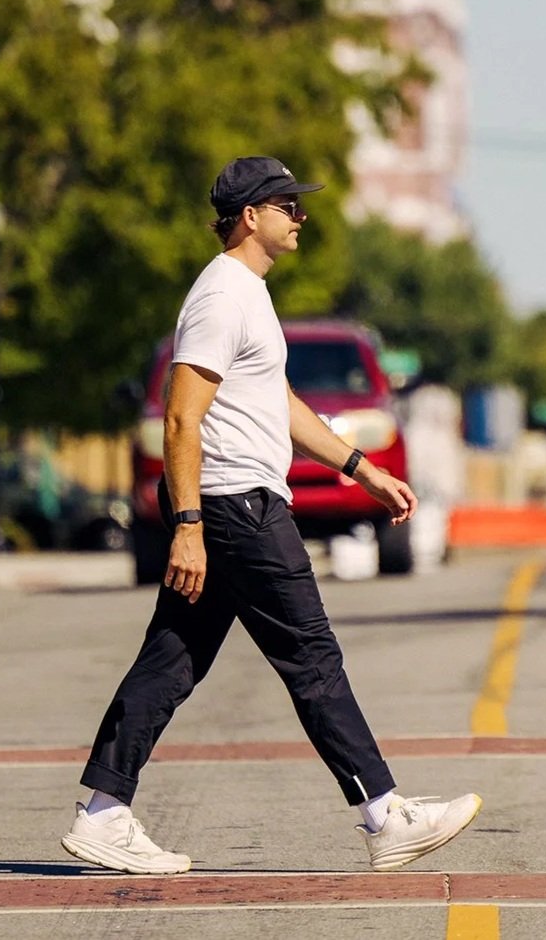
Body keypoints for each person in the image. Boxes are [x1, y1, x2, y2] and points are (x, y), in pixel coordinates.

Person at [61, 156, 482, 874]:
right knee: (311, 656)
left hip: (234, 502)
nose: (300, 218)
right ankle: (383, 814)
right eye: (288, 206)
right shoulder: (221, 296)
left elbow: (276, 404)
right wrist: (188, 527)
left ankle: (102, 812)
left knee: (173, 659)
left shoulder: (248, 295)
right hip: (235, 507)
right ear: (249, 216)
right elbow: (179, 420)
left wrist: (361, 467)